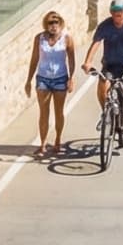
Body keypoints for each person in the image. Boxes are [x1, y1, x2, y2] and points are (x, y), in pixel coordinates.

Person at [83, 0, 123, 142]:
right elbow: (96, 43)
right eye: (114, 12)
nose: (117, 14)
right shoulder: (105, 26)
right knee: (102, 85)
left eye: (120, 11)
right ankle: (105, 114)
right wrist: (87, 62)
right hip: (110, 65)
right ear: (111, 12)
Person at [29, 11, 79, 161]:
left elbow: (71, 59)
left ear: (61, 23)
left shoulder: (67, 39)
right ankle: (43, 143)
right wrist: (28, 79)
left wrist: (71, 78)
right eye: (51, 23)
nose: (54, 25)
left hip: (60, 79)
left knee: (59, 111)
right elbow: (34, 59)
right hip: (43, 78)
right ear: (46, 24)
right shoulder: (39, 39)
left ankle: (58, 140)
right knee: (43, 113)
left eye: (56, 22)